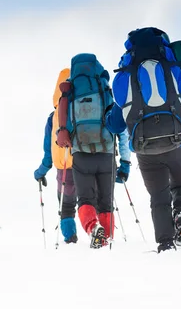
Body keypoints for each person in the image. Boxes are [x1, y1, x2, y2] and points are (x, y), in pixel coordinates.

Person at [105, 27, 181, 253]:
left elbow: (116, 124)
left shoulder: (124, 75)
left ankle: (165, 244)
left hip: (146, 148)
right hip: (178, 140)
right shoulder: (173, 66)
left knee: (159, 195)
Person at [56, 53, 129, 249]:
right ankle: (106, 240)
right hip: (105, 153)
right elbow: (119, 126)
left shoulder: (71, 91)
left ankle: (93, 228)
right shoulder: (103, 87)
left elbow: (66, 127)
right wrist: (125, 161)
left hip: (81, 154)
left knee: (85, 199)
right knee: (106, 202)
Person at [34, 68, 78, 244]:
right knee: (96, 201)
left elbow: (48, 151)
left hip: (64, 167)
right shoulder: (86, 109)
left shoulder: (53, 118)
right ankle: (99, 232)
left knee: (66, 206)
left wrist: (40, 172)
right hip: (87, 161)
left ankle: (70, 239)